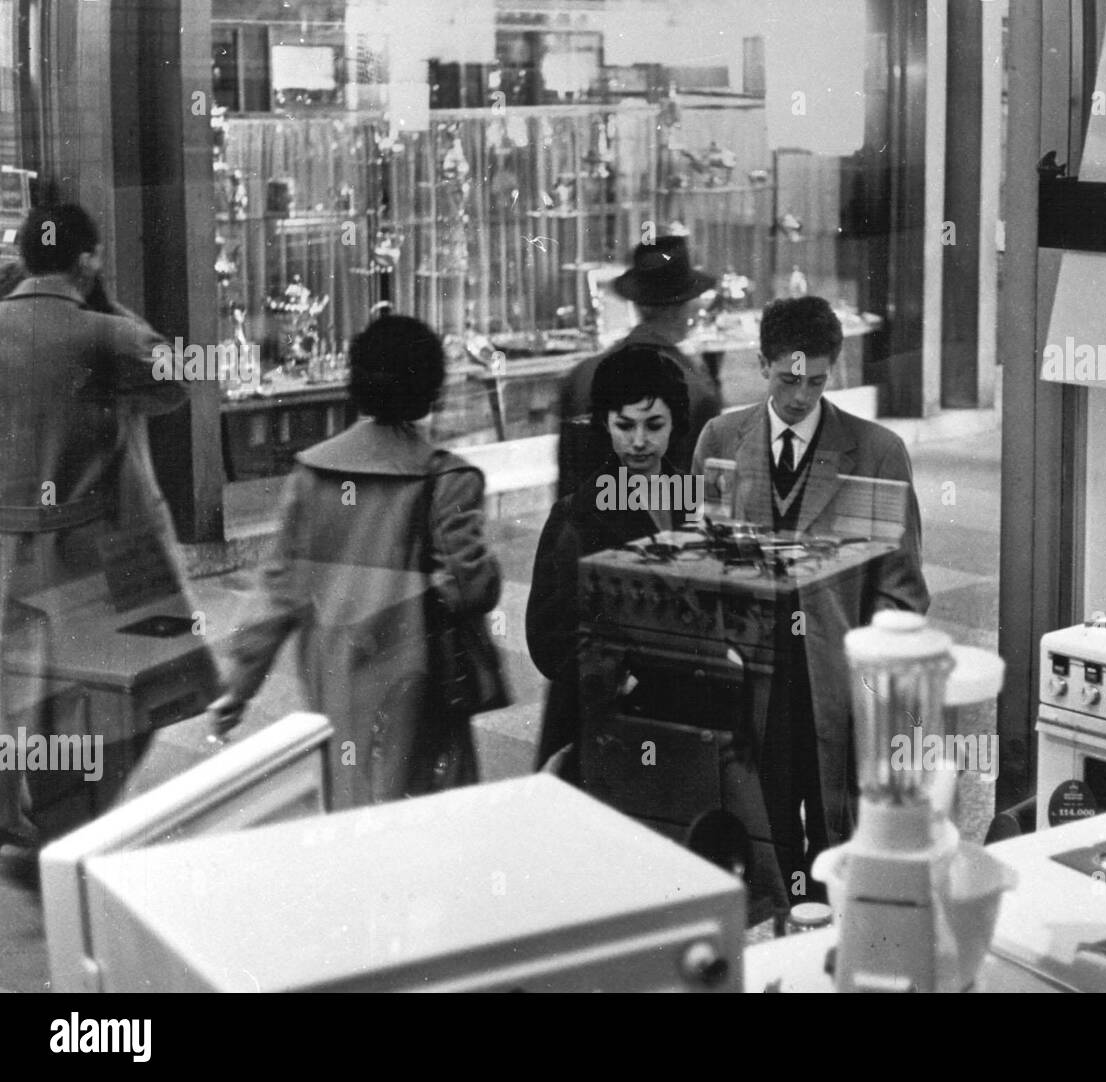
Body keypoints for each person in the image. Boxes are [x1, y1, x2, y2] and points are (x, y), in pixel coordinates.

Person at [691, 295, 930, 903]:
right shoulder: (720, 440)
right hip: (752, 682)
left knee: (837, 847)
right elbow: (707, 567)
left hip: (836, 684)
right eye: (788, 379)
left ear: (835, 369)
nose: (801, 397)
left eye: (818, 381)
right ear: (762, 363)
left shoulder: (876, 455)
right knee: (763, 844)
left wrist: (874, 676)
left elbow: (900, 590)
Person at [209, 316, 501, 809]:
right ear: (431, 388)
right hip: (418, 678)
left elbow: (278, 586)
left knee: (350, 797)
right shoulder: (446, 477)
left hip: (336, 670)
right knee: (425, 812)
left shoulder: (312, 471)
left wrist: (237, 687)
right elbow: (474, 588)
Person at [0, 203, 198, 853]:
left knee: (17, 689)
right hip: (85, 550)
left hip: (5, 546)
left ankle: (20, 803)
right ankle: (72, 821)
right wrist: (112, 308)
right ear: (87, 260)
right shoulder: (103, 335)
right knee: (107, 692)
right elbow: (174, 384)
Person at [527, 344, 694, 776]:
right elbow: (550, 634)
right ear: (605, 423)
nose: (639, 441)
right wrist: (619, 678)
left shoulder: (692, 499)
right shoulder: (578, 513)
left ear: (675, 424)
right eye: (625, 425)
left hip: (688, 715)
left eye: (654, 425)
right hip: (610, 719)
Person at [556, 234, 720, 496]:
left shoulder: (581, 376)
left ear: (638, 304)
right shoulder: (696, 390)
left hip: (587, 534)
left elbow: (565, 493)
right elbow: (698, 501)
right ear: (681, 307)